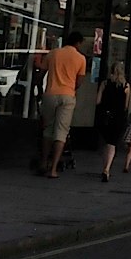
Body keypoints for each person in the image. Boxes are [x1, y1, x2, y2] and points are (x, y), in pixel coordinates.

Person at [41, 29, 86, 178]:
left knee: (48, 129)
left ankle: (43, 162)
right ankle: (53, 169)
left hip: (50, 94)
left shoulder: (53, 53)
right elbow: (79, 82)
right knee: (61, 132)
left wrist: (39, 88)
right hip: (67, 95)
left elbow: (41, 72)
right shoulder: (81, 58)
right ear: (78, 43)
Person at [94, 64, 130, 182]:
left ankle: (105, 167)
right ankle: (107, 168)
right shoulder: (126, 86)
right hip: (118, 118)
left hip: (105, 117)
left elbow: (98, 101)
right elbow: (125, 106)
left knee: (107, 143)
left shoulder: (104, 84)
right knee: (112, 144)